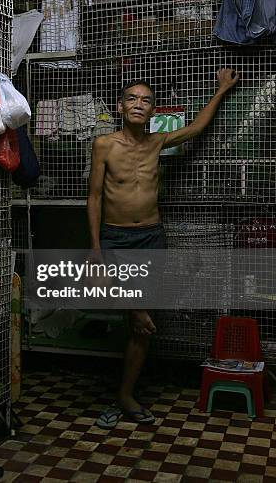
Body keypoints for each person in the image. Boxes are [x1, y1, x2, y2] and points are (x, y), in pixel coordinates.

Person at [87, 68, 239, 427]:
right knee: (136, 312)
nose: (138, 104)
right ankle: (133, 334)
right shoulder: (104, 145)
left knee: (142, 327)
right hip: (117, 237)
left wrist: (220, 89)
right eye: (132, 98)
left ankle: (125, 395)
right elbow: (93, 197)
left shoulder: (156, 142)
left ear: (154, 111)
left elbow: (196, 128)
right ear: (121, 106)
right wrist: (95, 249)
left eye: (146, 100)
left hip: (152, 237)